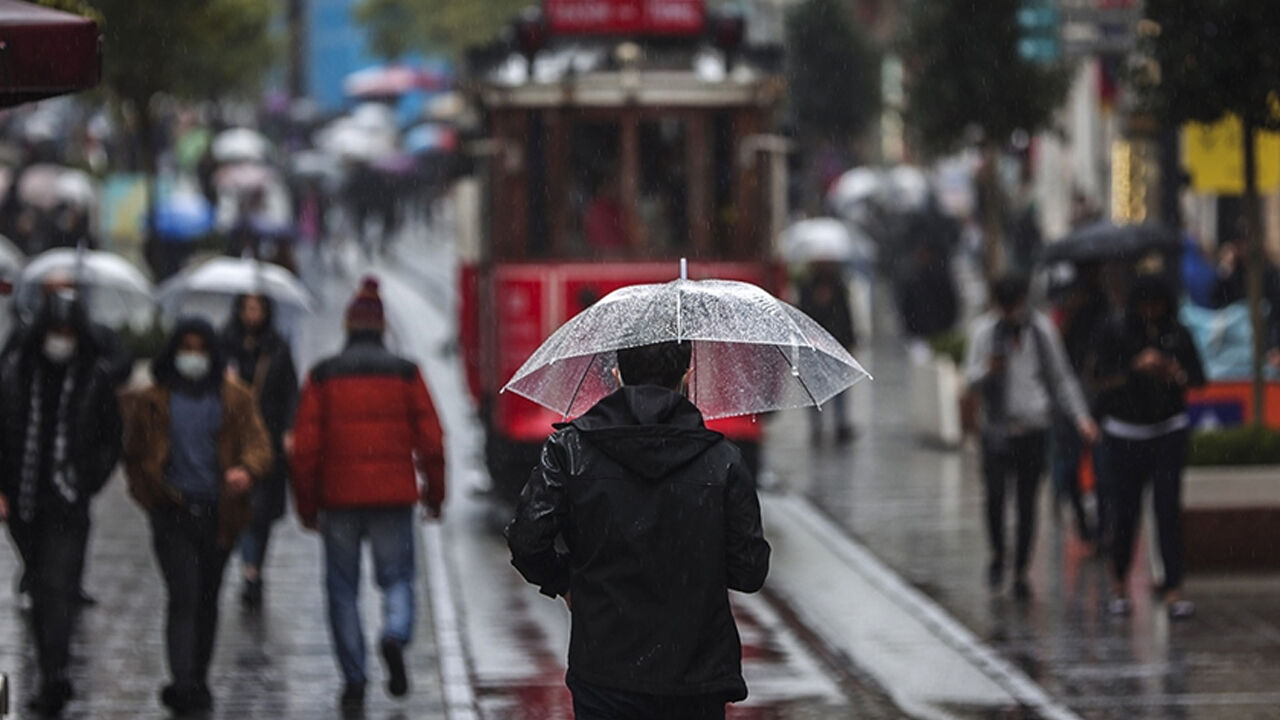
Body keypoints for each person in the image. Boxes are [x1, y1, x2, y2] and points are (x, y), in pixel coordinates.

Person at [506, 340, 771, 719]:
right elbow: (750, 571)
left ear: (616, 378)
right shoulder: (722, 461)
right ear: (686, 378)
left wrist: (566, 582)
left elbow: (527, 539)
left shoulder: (570, 449)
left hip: (604, 672)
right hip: (695, 677)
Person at [290, 276, 446, 713]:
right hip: (394, 496)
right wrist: (435, 494)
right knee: (397, 578)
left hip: (338, 501)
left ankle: (354, 679)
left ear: (347, 327)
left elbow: (305, 450)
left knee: (342, 590)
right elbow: (433, 441)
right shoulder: (406, 372)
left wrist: (306, 505)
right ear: (381, 328)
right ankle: (394, 633)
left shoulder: (322, 376)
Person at [121, 317, 272, 715]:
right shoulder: (154, 399)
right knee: (183, 594)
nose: (192, 356)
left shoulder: (234, 398)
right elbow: (134, 454)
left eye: (199, 348)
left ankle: (198, 677)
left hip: (218, 515)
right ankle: (183, 682)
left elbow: (259, 444)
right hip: (172, 513)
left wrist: (246, 470)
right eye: (185, 347)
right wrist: (149, 494)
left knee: (206, 598)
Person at [0, 291, 122, 716]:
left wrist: (87, 479)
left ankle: (54, 673)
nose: (62, 340)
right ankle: (51, 666)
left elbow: (111, 438)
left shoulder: (94, 378)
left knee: (59, 587)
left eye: (69, 332)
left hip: (69, 505)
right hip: (24, 502)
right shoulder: (15, 374)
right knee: (40, 583)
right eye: (56, 331)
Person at [964, 274, 1098, 600]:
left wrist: (1081, 418)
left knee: (1027, 502)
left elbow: (1061, 377)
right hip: (996, 428)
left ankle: (1021, 569)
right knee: (995, 498)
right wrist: (987, 370)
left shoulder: (1041, 332)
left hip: (1034, 429)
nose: (1011, 313)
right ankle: (998, 553)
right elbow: (969, 378)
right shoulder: (984, 331)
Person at [1092, 274, 1206, 620]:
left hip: (1168, 430)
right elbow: (1097, 378)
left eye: (1157, 306)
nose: (1151, 312)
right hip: (1125, 432)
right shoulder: (1115, 331)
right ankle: (1119, 585)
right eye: (1145, 305)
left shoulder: (1177, 333)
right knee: (1125, 512)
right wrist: (1134, 369)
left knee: (1168, 510)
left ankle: (1173, 588)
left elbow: (1199, 378)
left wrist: (1175, 373)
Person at [221, 294, 299, 610]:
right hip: (231, 439)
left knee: (260, 511)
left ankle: (253, 569)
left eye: (258, 309)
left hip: (265, 439)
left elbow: (290, 391)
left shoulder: (277, 347)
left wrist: (289, 430)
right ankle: (249, 569)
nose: (252, 314)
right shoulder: (224, 344)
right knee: (239, 506)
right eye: (247, 308)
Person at [1049, 265, 1111, 547]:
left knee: (1102, 469)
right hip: (1070, 404)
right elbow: (1056, 356)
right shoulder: (1065, 312)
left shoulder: (1106, 311)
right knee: (1071, 467)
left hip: (1098, 401)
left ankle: (1102, 529)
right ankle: (1084, 525)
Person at [798, 263, 857, 443]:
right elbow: (804, 316)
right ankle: (817, 426)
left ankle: (840, 424)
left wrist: (850, 339)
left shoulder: (838, 285)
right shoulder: (807, 286)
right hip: (815, 345)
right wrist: (818, 302)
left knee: (839, 387)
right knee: (815, 387)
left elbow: (845, 314)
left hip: (836, 342)